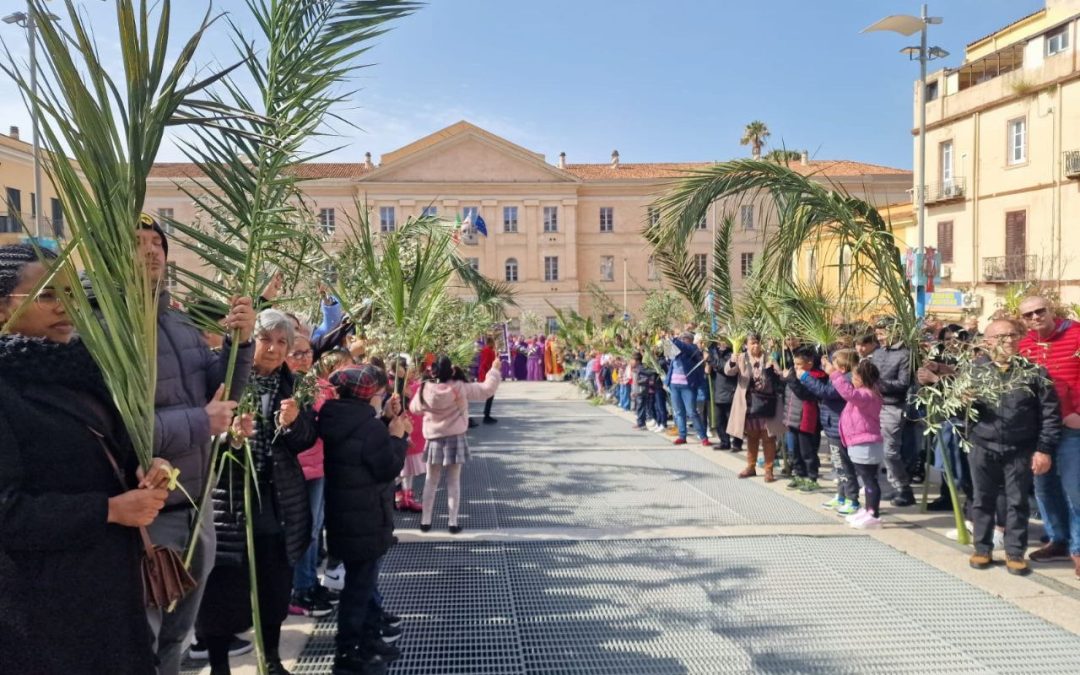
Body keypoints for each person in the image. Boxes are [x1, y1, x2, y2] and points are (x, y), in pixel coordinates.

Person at [0, 244, 171, 674]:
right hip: (42, 614)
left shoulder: (83, 372)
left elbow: (114, 454)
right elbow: (7, 512)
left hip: (111, 592)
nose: (65, 307)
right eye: (47, 295)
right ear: (3, 309)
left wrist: (151, 470)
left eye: (72, 294)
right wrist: (109, 510)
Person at [133, 217, 257, 673]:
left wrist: (239, 345)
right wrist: (199, 422)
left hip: (196, 503)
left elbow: (219, 394)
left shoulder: (179, 322)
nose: (151, 251)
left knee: (178, 640)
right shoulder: (107, 329)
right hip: (149, 519)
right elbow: (117, 427)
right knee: (141, 640)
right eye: (137, 243)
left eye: (157, 242)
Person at [196, 309, 317, 675]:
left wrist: (293, 425)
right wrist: (229, 440)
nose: (274, 349)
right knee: (223, 587)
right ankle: (219, 665)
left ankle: (272, 658)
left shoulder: (292, 386)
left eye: (283, 342)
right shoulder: (226, 379)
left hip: (277, 501)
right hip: (229, 500)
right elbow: (200, 433)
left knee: (274, 585)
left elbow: (306, 439)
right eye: (266, 340)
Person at [320, 364, 410, 675]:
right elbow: (386, 466)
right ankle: (347, 654)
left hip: (344, 518)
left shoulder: (334, 417)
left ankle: (369, 640)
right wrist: (397, 438)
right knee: (358, 589)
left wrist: (385, 419)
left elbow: (359, 449)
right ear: (368, 394)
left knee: (362, 584)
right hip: (367, 518)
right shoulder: (368, 428)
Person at [963, 318, 1060, 576]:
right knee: (982, 499)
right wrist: (963, 402)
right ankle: (982, 548)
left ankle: (1015, 552)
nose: (1008, 341)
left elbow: (1050, 415)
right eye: (1001, 336)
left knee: (1018, 501)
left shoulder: (1034, 373)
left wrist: (1044, 449)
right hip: (982, 446)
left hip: (1021, 448)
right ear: (987, 342)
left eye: (1013, 335)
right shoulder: (974, 372)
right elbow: (959, 414)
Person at [1017, 296, 1080, 578]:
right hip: (1040, 430)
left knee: (1075, 490)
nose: (1034, 317)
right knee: (1044, 489)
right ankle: (1058, 540)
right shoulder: (1025, 346)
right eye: (1027, 315)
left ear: (1051, 309)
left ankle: (1078, 550)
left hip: (1072, 427)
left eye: (1039, 311)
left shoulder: (1077, 334)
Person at [411, 355, 501, 533]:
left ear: (433, 371)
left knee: (431, 481)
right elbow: (486, 390)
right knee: (453, 482)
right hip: (456, 438)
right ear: (451, 370)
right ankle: (452, 523)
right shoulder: (459, 387)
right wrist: (494, 369)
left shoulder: (425, 388)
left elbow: (414, 409)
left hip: (433, 438)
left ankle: (425, 521)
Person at [791, 346, 860, 515]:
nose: (829, 367)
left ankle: (853, 499)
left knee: (844, 465)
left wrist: (805, 377)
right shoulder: (837, 376)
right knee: (838, 464)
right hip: (831, 425)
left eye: (833, 364)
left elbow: (825, 392)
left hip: (839, 427)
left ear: (842, 368)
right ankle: (841, 495)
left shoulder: (845, 379)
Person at [827, 352, 885, 529]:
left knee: (869, 480)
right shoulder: (863, 393)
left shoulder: (867, 395)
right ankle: (867, 509)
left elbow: (848, 394)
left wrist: (835, 374)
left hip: (866, 443)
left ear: (863, 378)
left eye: (854, 377)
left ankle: (873, 513)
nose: (851, 380)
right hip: (858, 443)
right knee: (866, 479)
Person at [863, 319, 916, 507]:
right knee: (876, 449)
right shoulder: (877, 352)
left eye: (882, 334)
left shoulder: (905, 355)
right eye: (877, 335)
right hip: (874, 404)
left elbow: (903, 383)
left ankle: (903, 488)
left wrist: (879, 384)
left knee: (890, 451)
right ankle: (887, 486)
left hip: (893, 406)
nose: (879, 338)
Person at [726, 334, 784, 481]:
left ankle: (768, 469)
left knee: (768, 437)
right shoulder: (741, 357)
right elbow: (728, 371)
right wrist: (733, 358)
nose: (755, 346)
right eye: (752, 343)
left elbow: (779, 375)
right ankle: (751, 467)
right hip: (750, 404)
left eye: (757, 343)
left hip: (767, 403)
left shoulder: (769, 357)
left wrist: (778, 370)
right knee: (752, 437)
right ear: (746, 344)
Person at [781, 346, 826, 492]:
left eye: (799, 364)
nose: (796, 367)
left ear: (810, 363)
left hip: (807, 419)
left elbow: (804, 394)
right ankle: (799, 475)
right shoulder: (794, 373)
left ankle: (812, 477)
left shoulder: (816, 376)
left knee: (808, 451)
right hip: (792, 417)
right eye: (795, 364)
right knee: (795, 450)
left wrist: (791, 379)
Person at [666, 331, 710, 446]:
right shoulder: (678, 348)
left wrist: (674, 339)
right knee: (679, 412)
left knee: (692, 412)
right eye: (681, 338)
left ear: (690, 340)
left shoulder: (692, 349)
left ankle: (703, 437)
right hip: (674, 384)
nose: (683, 340)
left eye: (685, 338)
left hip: (687, 386)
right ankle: (682, 436)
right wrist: (667, 341)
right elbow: (668, 358)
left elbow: (684, 348)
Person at [707, 337, 741, 451]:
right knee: (719, 419)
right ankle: (724, 441)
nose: (721, 342)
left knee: (733, 419)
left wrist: (712, 360)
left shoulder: (733, 353)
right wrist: (708, 360)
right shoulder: (714, 352)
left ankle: (737, 443)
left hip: (730, 390)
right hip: (718, 389)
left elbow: (725, 369)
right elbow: (707, 371)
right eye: (719, 339)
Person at [479, 337, 498, 424]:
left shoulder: (486, 350)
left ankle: (487, 414)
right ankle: (486, 415)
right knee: (490, 395)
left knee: (490, 395)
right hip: (488, 374)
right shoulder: (488, 351)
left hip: (486, 373)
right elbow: (486, 363)